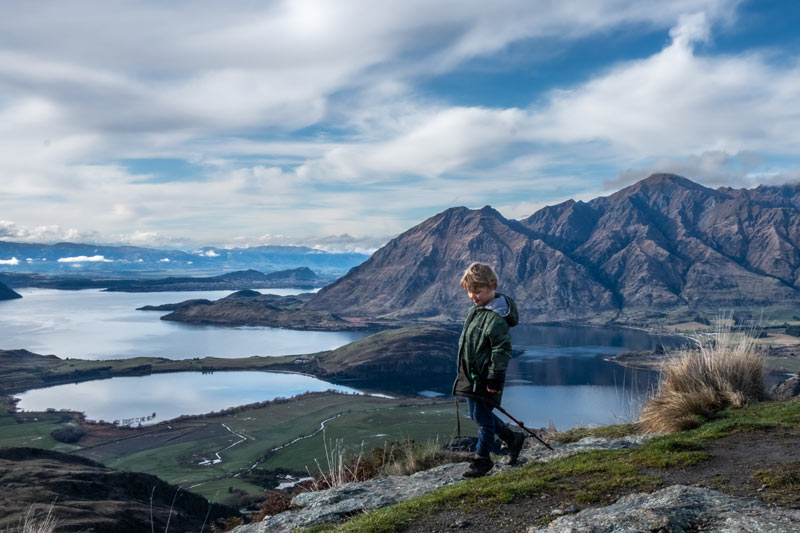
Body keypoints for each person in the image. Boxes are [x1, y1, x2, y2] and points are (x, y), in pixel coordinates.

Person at [453, 262, 524, 478]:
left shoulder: (497, 318)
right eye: (469, 292)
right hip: (470, 374)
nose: (473, 296)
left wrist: (496, 375)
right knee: (476, 414)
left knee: (483, 419)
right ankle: (512, 439)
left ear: (492, 286)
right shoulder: (475, 311)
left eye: (477, 291)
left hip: (486, 377)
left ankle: (482, 460)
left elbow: (501, 348)